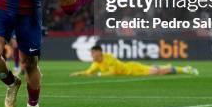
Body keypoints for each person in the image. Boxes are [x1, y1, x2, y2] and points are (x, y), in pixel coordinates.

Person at [70, 45, 199, 77]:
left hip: (132, 68)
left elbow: (113, 72)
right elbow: (88, 72)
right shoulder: (95, 64)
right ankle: (181, 68)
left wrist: (98, 74)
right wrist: (78, 74)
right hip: (131, 72)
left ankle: (185, 69)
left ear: (99, 52)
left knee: (156, 72)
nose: (91, 55)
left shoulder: (109, 57)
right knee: (157, 71)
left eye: (93, 52)